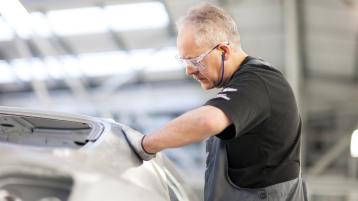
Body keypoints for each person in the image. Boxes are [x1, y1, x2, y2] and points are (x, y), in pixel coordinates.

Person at [124, 2, 308, 201]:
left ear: (224, 51)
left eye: (195, 61)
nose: (189, 70)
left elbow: (206, 121)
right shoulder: (246, 88)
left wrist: (144, 145)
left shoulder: (260, 81)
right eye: (184, 61)